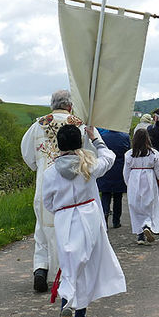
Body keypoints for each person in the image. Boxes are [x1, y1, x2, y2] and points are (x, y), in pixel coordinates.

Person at [42, 124, 126, 317]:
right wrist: (96, 138)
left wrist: (62, 212)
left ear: (58, 144)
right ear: (79, 143)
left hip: (64, 220)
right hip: (89, 217)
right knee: (87, 267)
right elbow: (109, 157)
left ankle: (67, 306)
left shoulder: (50, 172)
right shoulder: (88, 165)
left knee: (70, 267)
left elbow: (48, 202)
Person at [21, 89, 97, 293]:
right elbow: (93, 154)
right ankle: (67, 272)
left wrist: (39, 165)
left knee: (43, 228)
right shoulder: (78, 124)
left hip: (47, 182)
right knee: (71, 233)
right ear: (70, 105)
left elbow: (27, 153)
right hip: (75, 187)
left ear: (52, 105)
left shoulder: (39, 124)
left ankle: (41, 269)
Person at [122, 128, 159, 245]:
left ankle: (140, 235)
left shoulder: (129, 154)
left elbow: (126, 171)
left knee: (136, 206)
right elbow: (158, 170)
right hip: (149, 178)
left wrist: (128, 183)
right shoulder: (153, 153)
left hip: (134, 179)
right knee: (150, 204)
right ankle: (148, 225)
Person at [96, 128, 130, 228]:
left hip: (107, 167)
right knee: (118, 196)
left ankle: (105, 215)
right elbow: (127, 151)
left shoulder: (103, 136)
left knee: (105, 194)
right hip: (119, 167)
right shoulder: (125, 137)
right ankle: (116, 220)